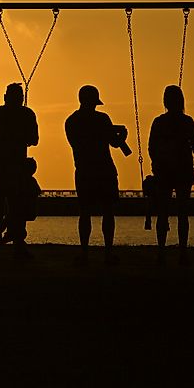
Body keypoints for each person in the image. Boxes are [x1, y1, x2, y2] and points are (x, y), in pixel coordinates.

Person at [65, 85, 128, 265]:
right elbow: (115, 143)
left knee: (84, 213)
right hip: (104, 170)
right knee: (108, 212)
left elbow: (78, 143)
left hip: (84, 171)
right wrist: (123, 135)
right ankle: (108, 253)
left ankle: (84, 254)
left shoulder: (71, 121)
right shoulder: (102, 119)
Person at [148, 85, 194, 265]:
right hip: (183, 170)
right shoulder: (187, 121)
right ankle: (182, 252)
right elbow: (193, 142)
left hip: (164, 170)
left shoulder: (158, 122)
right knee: (182, 212)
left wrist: (156, 163)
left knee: (163, 212)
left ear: (165, 101)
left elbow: (151, 147)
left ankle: (161, 251)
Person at [0, 82, 39, 259]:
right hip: (14, 168)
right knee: (17, 207)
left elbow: (0, 134)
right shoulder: (27, 114)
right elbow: (34, 139)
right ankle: (17, 244)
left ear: (5, 97)